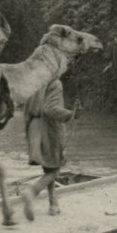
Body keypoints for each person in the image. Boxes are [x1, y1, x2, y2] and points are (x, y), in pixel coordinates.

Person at [20, 79, 77, 221]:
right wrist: (70, 115)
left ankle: (53, 204)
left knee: (49, 167)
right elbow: (50, 108)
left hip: (34, 126)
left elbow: (25, 109)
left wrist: (29, 131)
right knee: (55, 168)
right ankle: (32, 191)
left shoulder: (34, 82)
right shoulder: (55, 82)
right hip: (48, 128)